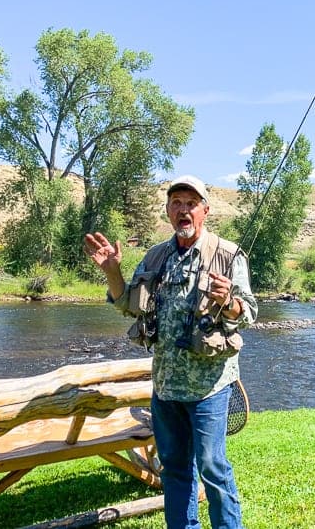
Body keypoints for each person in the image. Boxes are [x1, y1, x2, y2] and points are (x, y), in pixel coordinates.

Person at [84, 174, 257, 529]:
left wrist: (229, 302)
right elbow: (129, 304)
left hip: (210, 387)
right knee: (175, 470)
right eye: (176, 203)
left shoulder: (228, 255)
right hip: (165, 387)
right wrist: (112, 272)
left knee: (213, 468)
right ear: (167, 211)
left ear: (205, 211)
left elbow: (250, 313)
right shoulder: (157, 256)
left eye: (191, 204)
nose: (183, 210)